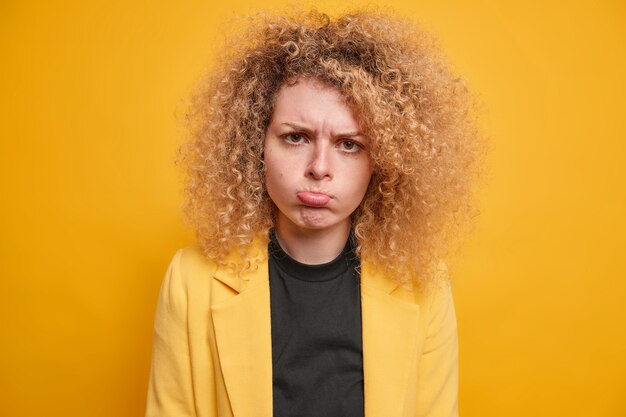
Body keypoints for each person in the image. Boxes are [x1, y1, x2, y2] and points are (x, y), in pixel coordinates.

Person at [145, 8, 480, 417]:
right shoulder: (190, 281)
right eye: (296, 137)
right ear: (257, 144)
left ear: (384, 160)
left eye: (349, 144)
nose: (319, 167)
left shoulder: (424, 281)